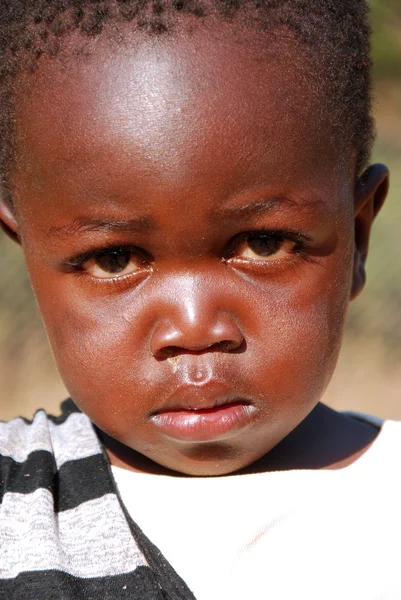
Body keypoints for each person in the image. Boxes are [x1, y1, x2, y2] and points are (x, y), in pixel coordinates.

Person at [0, 1, 399, 598]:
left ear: (359, 237)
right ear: (27, 253)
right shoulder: (20, 502)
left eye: (263, 244)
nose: (195, 328)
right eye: (116, 259)